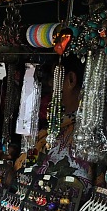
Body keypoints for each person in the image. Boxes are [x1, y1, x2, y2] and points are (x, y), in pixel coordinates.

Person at [34, 54, 95, 189]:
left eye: (53, 77)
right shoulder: (52, 129)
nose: (50, 84)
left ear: (71, 80)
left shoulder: (87, 134)